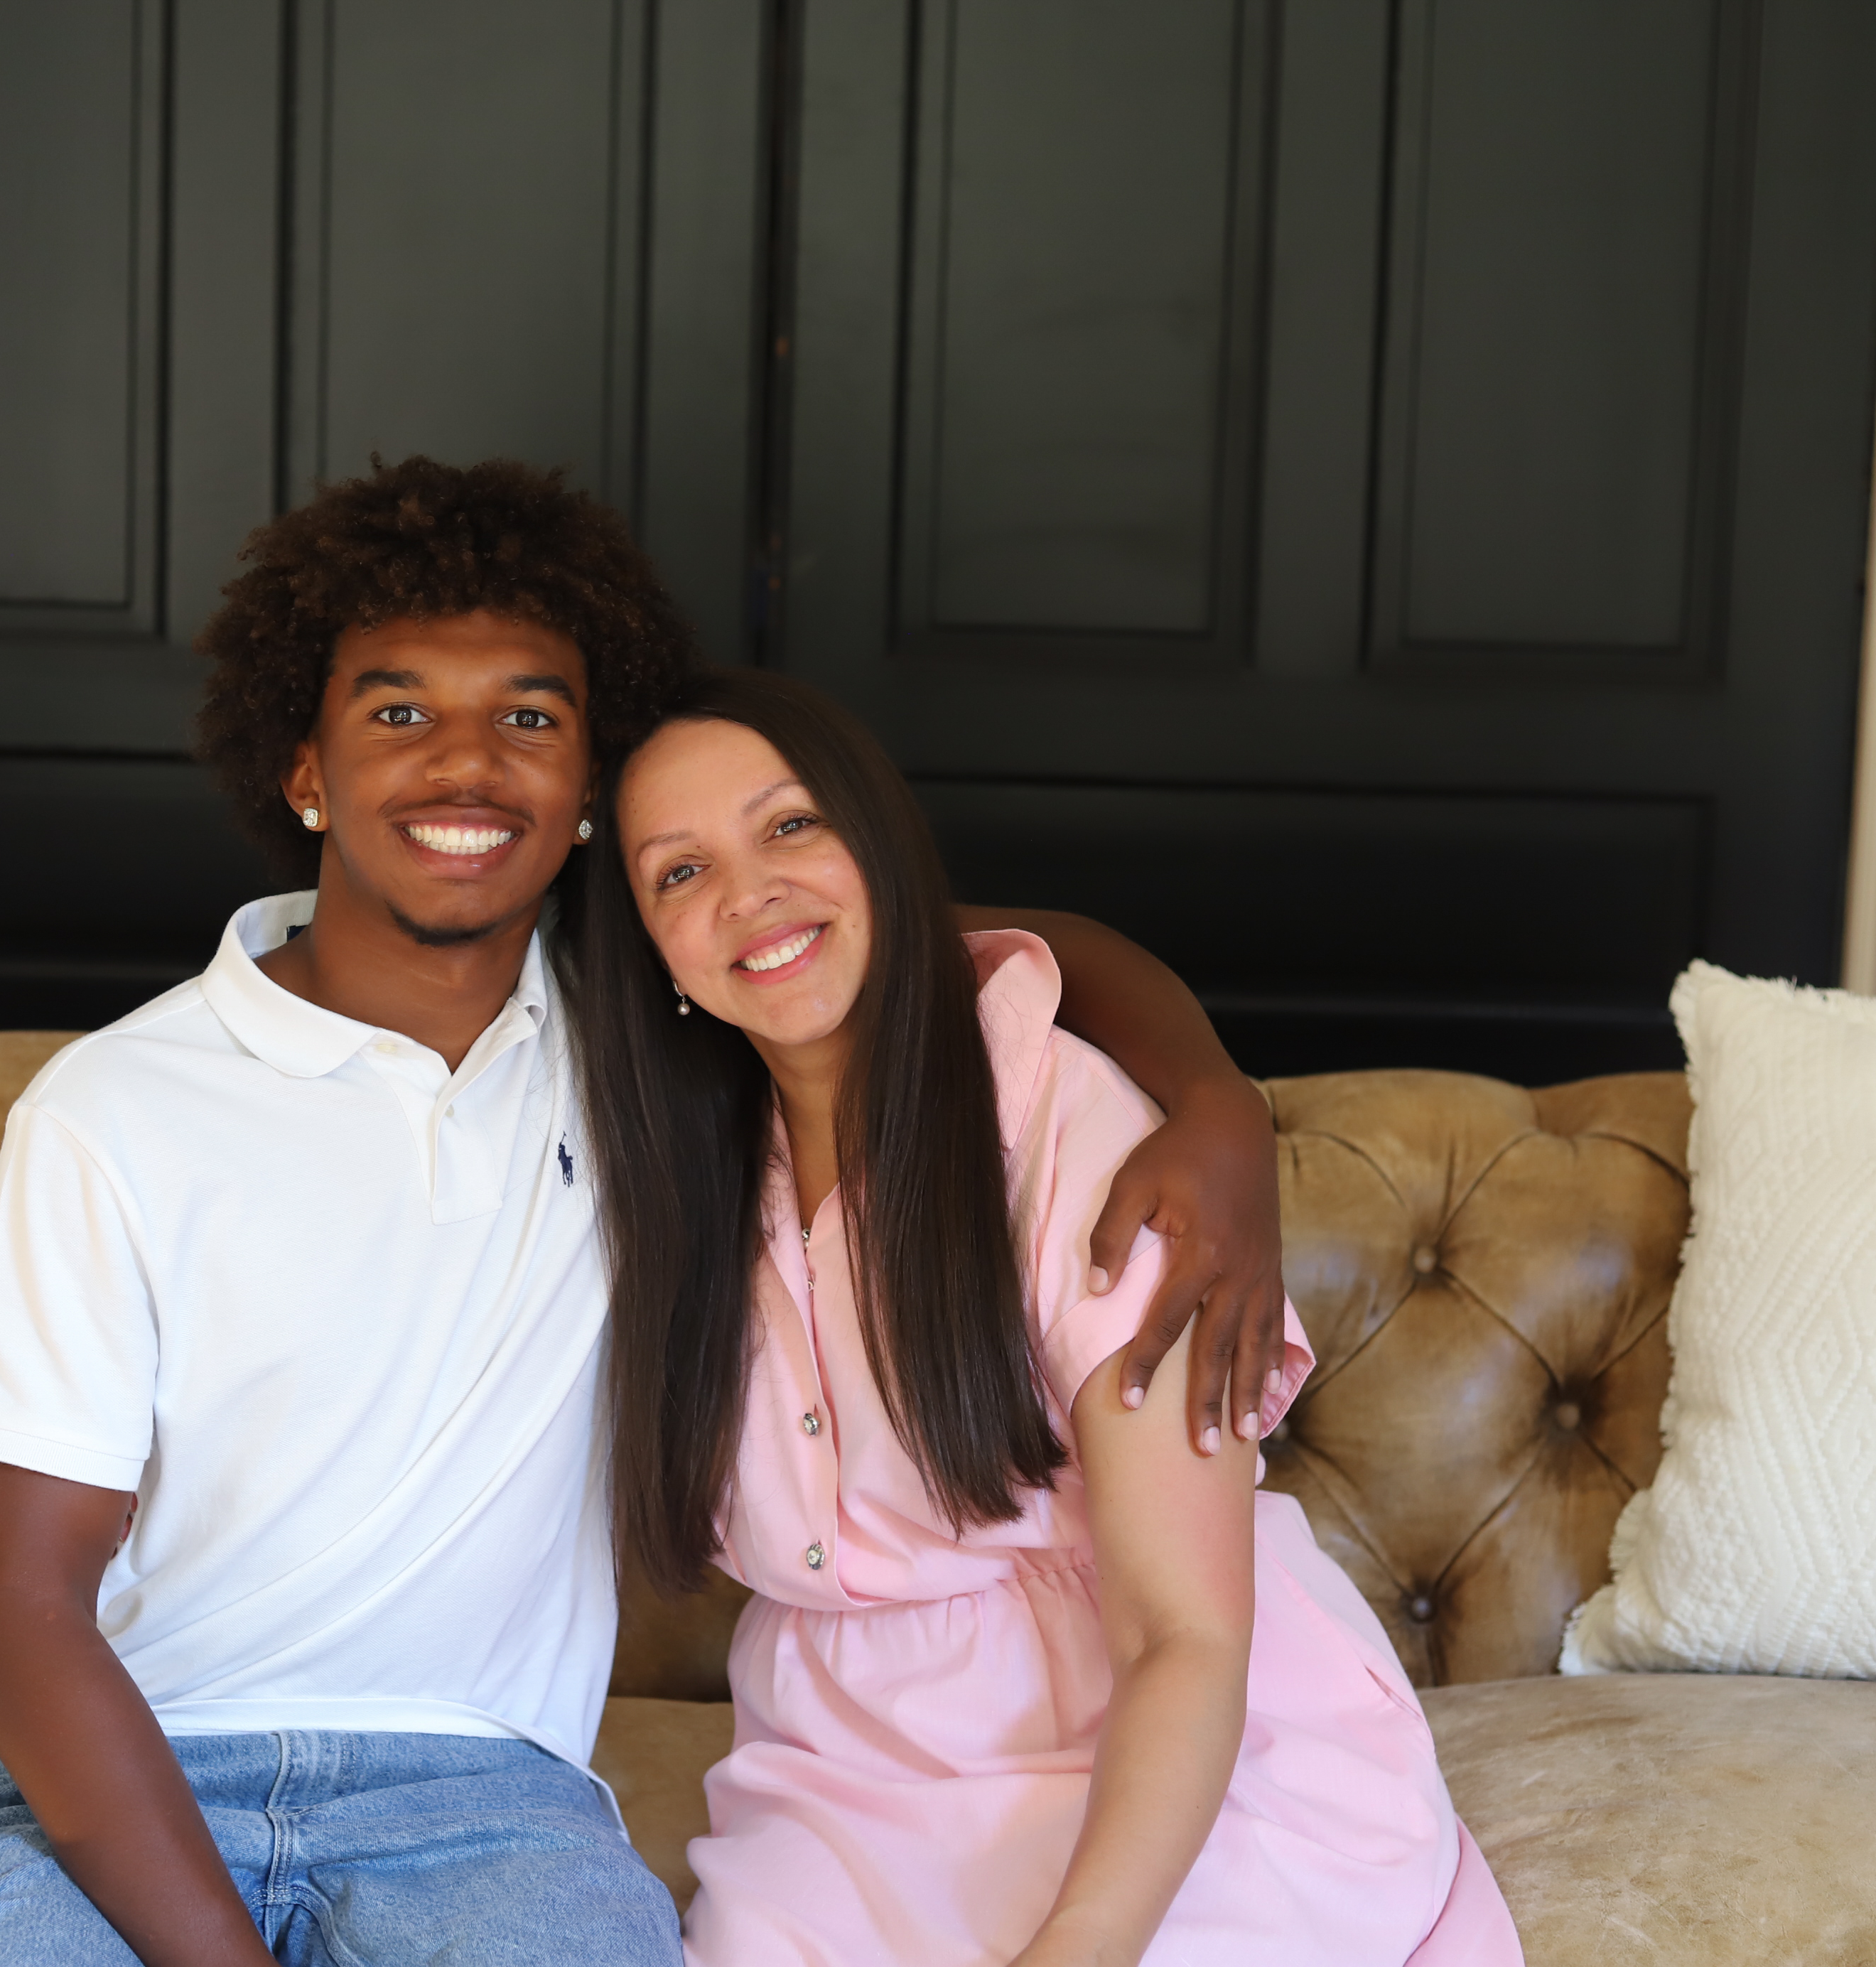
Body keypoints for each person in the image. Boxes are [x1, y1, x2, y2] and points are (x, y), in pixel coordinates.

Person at [0, 458, 1295, 1967]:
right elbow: (22, 1608)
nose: (466, 764)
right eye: (399, 710)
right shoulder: (113, 1108)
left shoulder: (667, 1033)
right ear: (304, 769)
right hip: (112, 1780)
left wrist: (1216, 1111)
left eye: (530, 718)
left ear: (589, 799)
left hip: (486, 1805)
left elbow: (973, 950)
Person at [575, 669, 1525, 1966]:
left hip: (1163, 1740)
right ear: (648, 947)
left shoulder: (1067, 1124)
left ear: (885, 849)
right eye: (679, 872)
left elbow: (1184, 1633)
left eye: (791, 825)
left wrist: (1079, 1946)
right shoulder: (665, 1170)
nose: (749, 894)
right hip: (837, 1776)